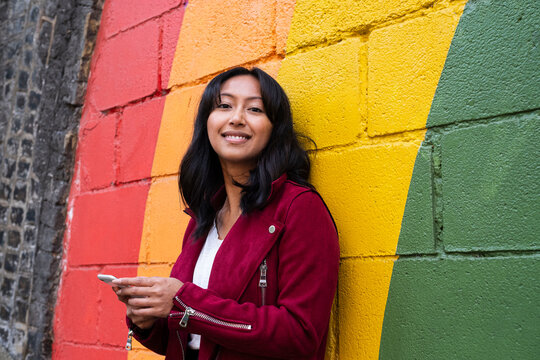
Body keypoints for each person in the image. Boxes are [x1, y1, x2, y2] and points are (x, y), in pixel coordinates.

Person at [112, 67, 339, 360]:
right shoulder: (202, 219)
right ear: (207, 122)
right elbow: (194, 338)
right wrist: (147, 320)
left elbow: (300, 335)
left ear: (274, 129)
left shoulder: (299, 208)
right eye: (224, 105)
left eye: (255, 109)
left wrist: (184, 301)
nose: (236, 118)